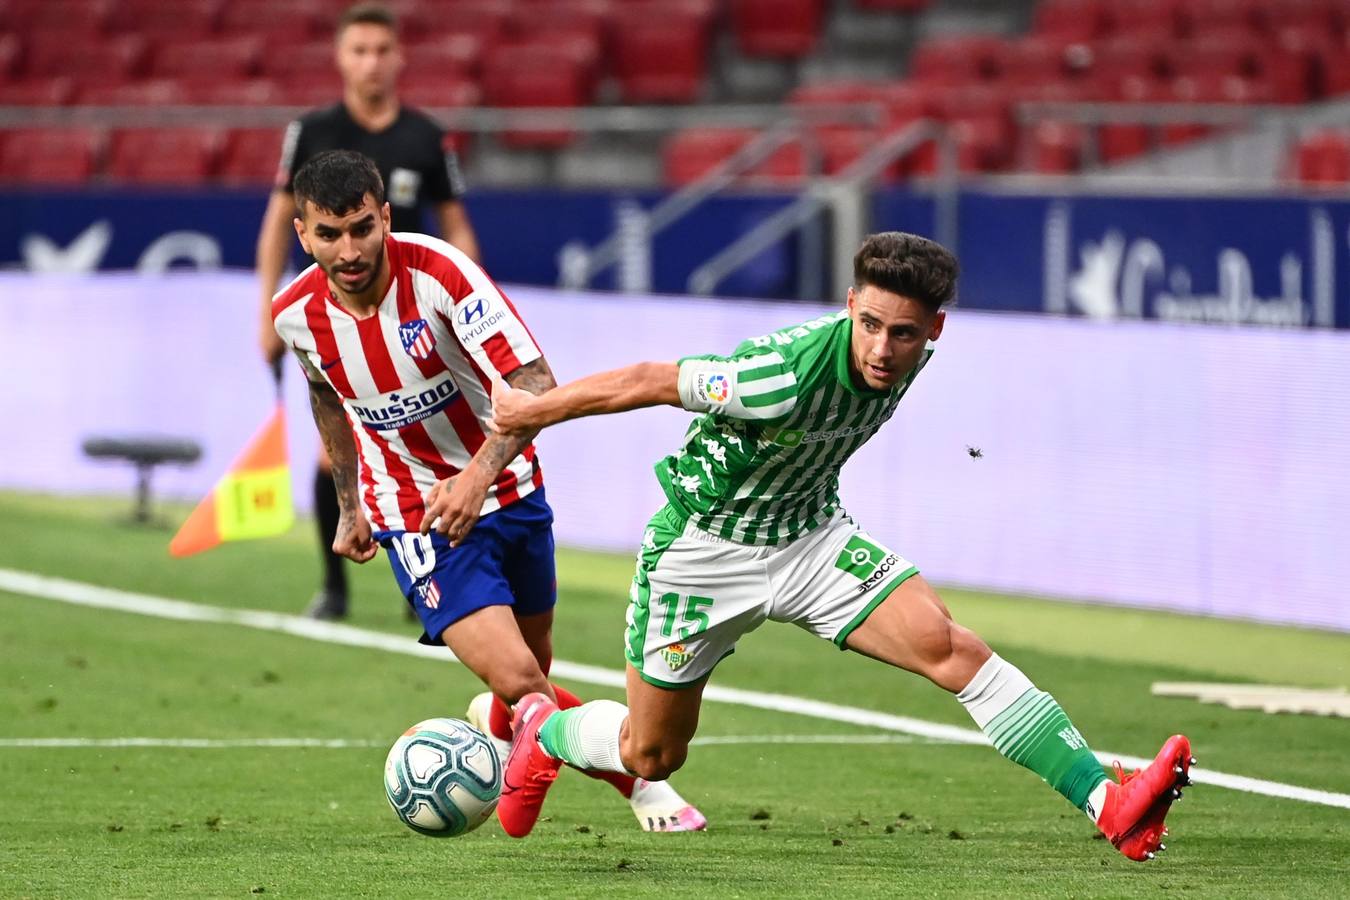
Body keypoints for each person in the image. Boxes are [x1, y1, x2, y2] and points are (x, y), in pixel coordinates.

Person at [488, 231, 1195, 860]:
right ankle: (546, 732)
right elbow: (651, 380)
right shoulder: (781, 376)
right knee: (652, 755)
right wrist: (532, 410)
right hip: (702, 555)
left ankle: (1111, 806)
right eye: (870, 325)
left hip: (809, 537)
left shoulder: (909, 357)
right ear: (849, 303)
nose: (884, 348)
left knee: (949, 645)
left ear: (935, 329)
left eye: (906, 334)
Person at [270, 149, 704, 833]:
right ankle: (637, 781)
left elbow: (535, 383)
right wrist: (353, 504)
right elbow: (326, 392)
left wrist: (476, 475)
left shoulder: (442, 276)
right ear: (303, 233)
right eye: (329, 234)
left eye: (361, 227)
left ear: (385, 216)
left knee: (527, 674)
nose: (348, 249)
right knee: (527, 691)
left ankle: (499, 721)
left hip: (511, 491)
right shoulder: (294, 315)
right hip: (416, 516)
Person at [256, 1, 480, 621]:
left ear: (399, 58)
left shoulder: (426, 138)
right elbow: (278, 224)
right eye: (359, 50)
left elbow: (457, 227)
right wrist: (265, 314)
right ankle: (335, 586)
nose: (371, 63)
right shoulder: (312, 133)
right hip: (336, 315)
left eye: (382, 51)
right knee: (335, 452)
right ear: (340, 58)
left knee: (432, 444)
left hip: (415, 317)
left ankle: (430, 583)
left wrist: (470, 305)